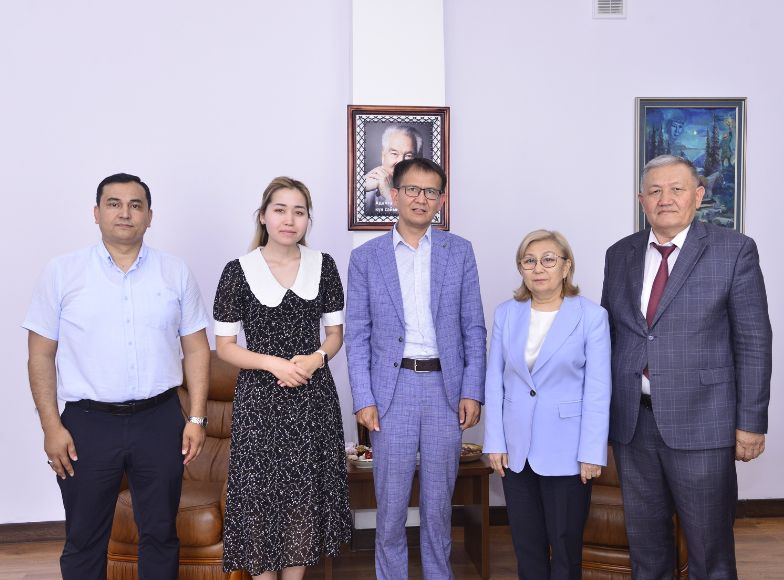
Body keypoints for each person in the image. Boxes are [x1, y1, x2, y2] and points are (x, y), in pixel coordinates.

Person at [23, 173, 211, 580]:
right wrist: (51, 426)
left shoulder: (175, 272)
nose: (125, 213)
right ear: (96, 213)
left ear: (149, 216)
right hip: (87, 424)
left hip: (159, 420)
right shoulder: (62, 272)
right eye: (114, 203)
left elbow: (197, 349)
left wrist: (196, 418)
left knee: (160, 534)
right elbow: (40, 354)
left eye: (135, 205)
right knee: (84, 537)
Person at [601, 154, 772, 579]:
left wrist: (751, 423)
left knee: (710, 552)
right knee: (646, 550)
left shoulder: (734, 250)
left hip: (704, 424)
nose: (666, 199)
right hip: (633, 426)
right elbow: (610, 336)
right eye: (655, 191)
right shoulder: (619, 254)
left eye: (676, 189)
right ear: (642, 200)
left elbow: (753, 341)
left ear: (698, 196)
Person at [346, 157, 487, 580]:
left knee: (440, 505)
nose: (421, 198)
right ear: (395, 195)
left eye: (430, 191)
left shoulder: (458, 251)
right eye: (412, 189)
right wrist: (363, 397)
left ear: (441, 199)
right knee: (390, 506)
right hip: (392, 391)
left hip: (446, 388)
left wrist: (472, 390)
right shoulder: (366, 257)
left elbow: (473, 327)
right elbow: (357, 334)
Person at [213, 176, 352, 579]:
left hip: (312, 397)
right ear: (263, 216)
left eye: (299, 212)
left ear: (308, 219)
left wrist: (316, 359)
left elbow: (335, 335)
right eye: (280, 210)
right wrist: (274, 364)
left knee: (302, 500)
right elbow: (225, 347)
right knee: (260, 500)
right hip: (260, 401)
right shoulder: (238, 271)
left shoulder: (324, 265)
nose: (289, 220)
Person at [483, 229, 611, 580]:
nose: (538, 268)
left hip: (568, 450)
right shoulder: (506, 313)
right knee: (527, 547)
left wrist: (592, 452)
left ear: (566, 266)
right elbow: (494, 380)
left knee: (566, 549)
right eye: (529, 261)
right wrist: (495, 442)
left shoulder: (591, 316)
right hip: (516, 450)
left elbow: (599, 389)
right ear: (521, 269)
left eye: (548, 260)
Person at [363, 125, 423, 216]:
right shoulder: (366, 185)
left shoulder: (428, 189)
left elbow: (415, 221)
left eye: (408, 155)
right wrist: (359, 191)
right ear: (383, 156)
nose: (400, 162)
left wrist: (389, 196)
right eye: (394, 154)